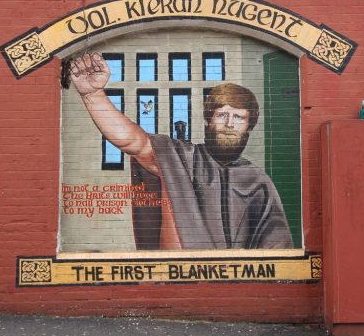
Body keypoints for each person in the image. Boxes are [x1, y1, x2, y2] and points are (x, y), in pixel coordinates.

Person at [69, 52, 294, 250]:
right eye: (222, 115)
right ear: (208, 120)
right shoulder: (181, 157)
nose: (229, 124)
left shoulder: (258, 181)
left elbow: (277, 247)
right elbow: (130, 141)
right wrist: (93, 95)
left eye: (239, 117)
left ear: (249, 125)